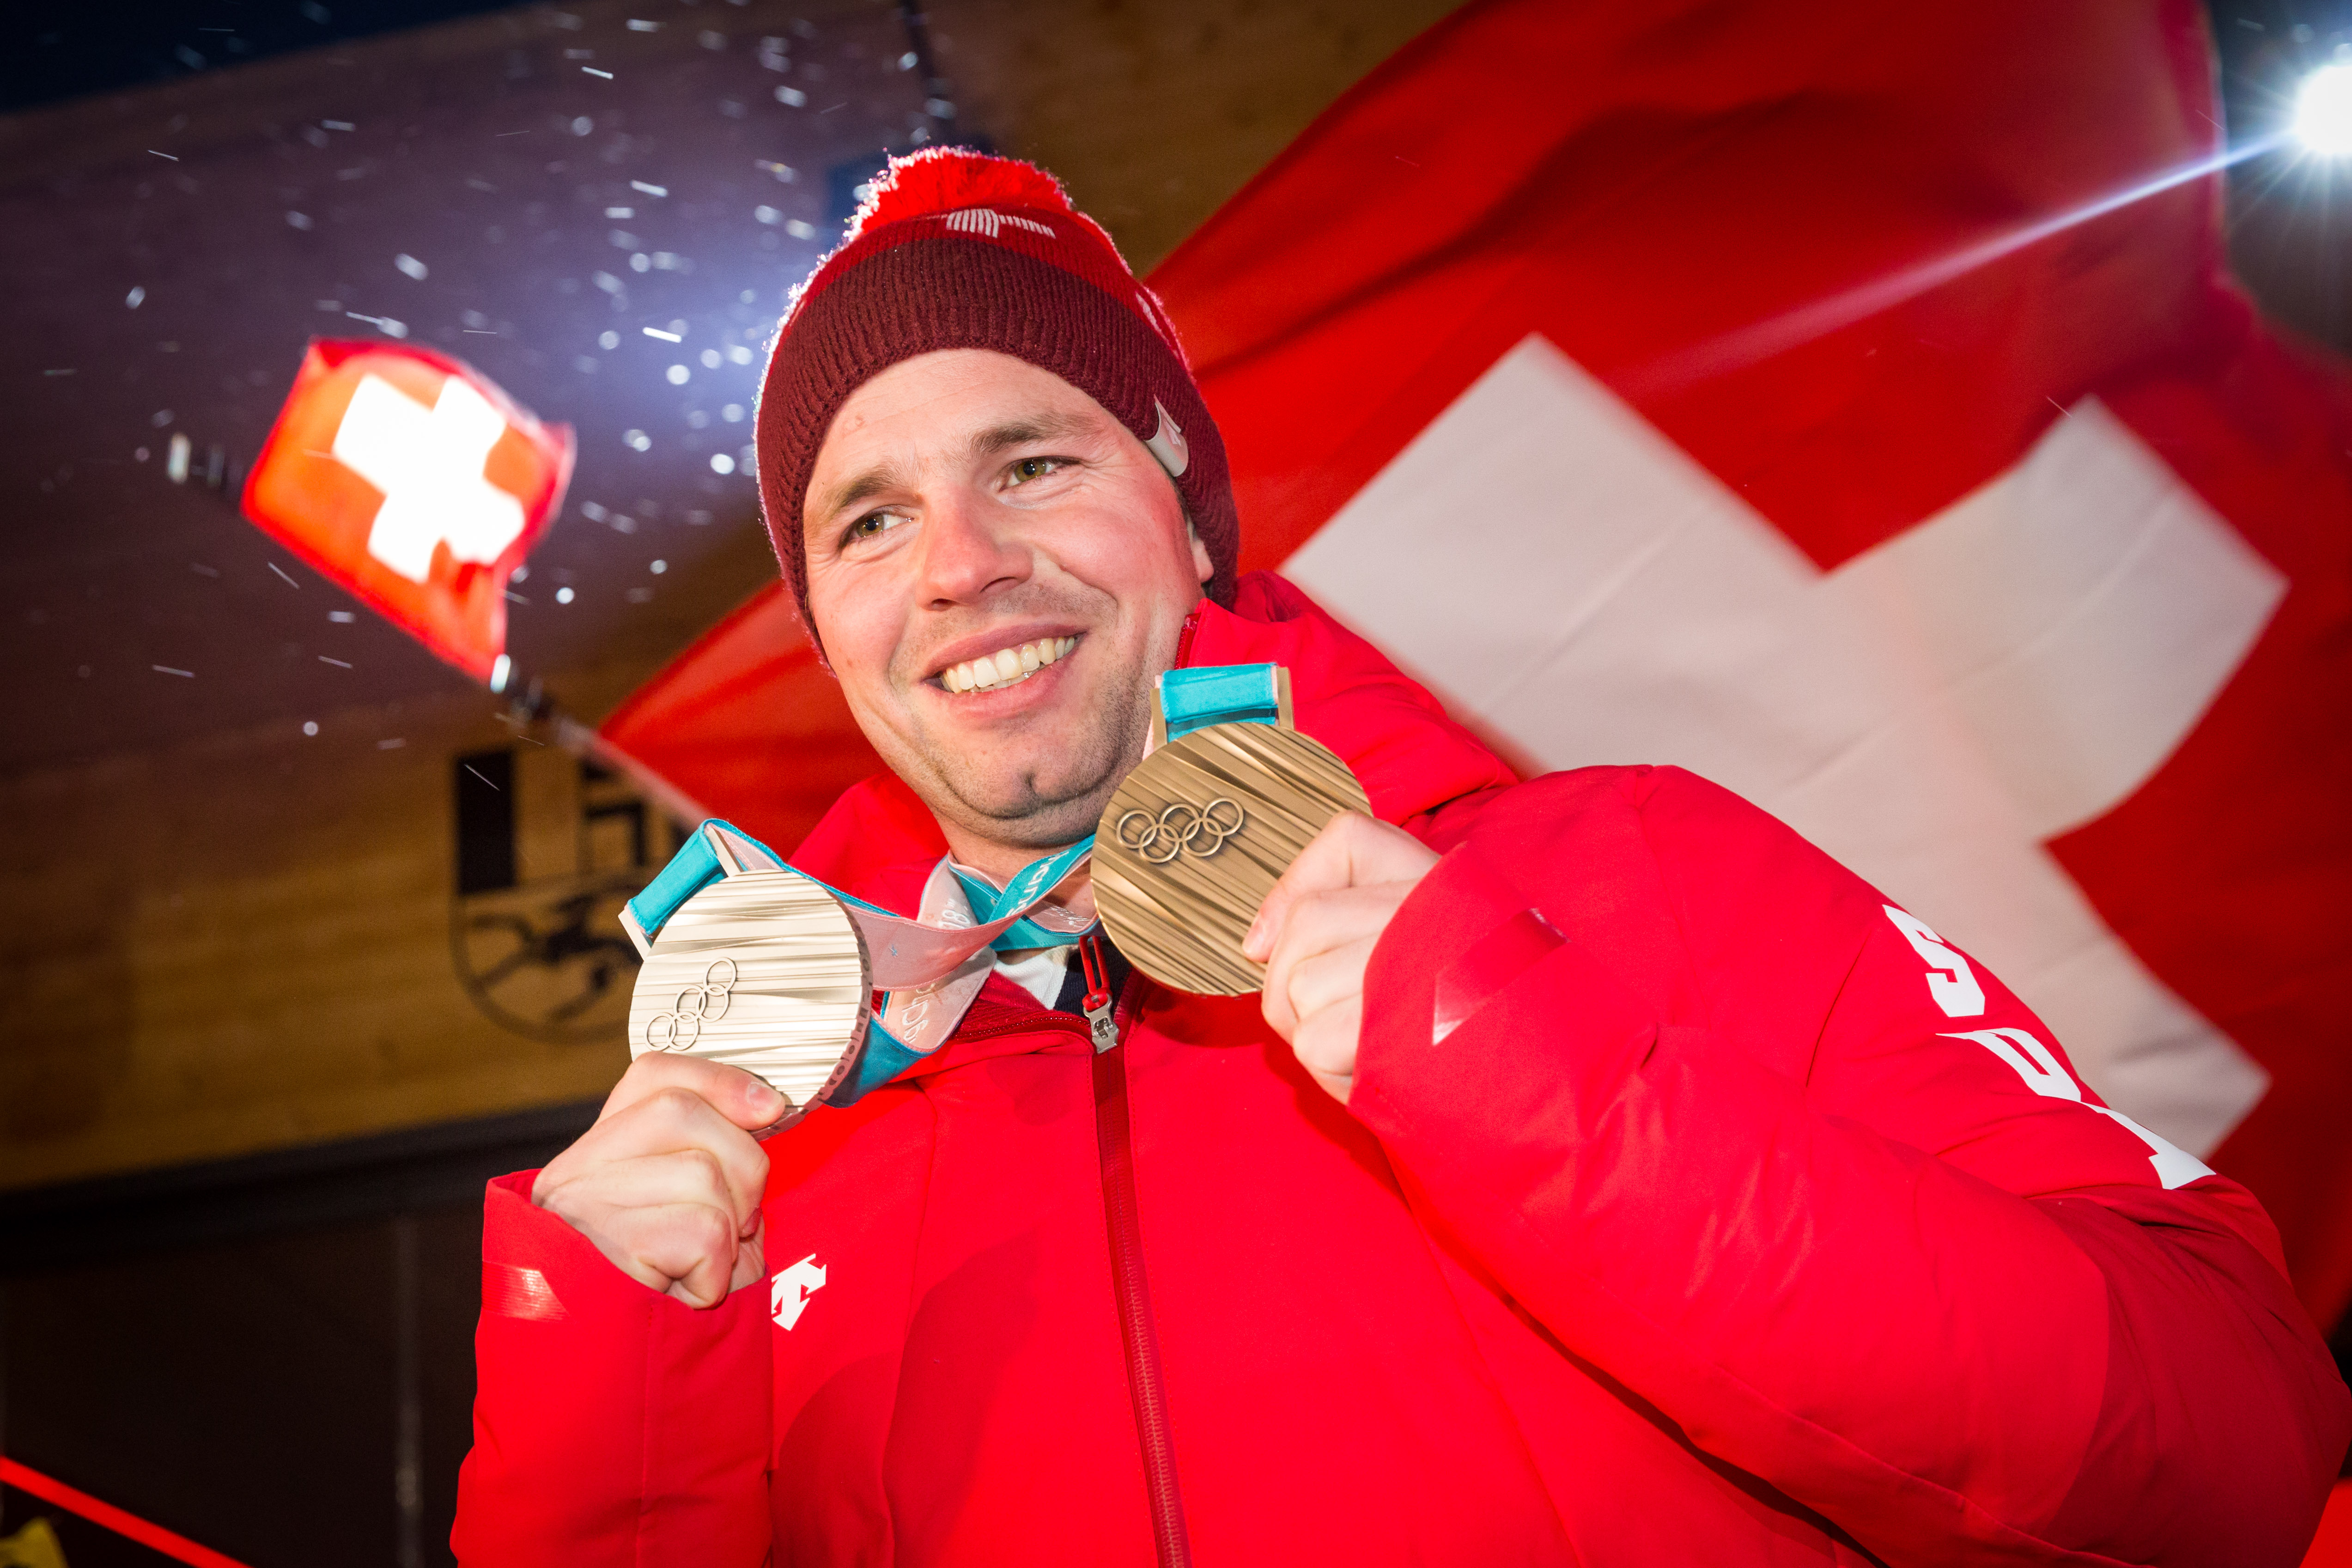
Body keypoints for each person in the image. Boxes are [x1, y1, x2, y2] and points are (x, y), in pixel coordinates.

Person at [453, 150, 2349, 1567]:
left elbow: (2230, 1450)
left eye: (1032, 464)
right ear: (830, 621)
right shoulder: (766, 1144)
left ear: (1187, 521)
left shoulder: (1637, 870)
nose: (958, 561)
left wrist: (1505, 1060)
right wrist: (608, 1392)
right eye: (868, 519)